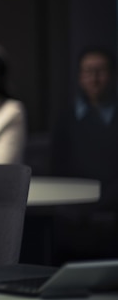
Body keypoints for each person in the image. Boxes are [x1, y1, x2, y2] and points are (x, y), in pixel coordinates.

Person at [49, 45, 118, 263]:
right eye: (88, 72)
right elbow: (57, 169)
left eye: (101, 71)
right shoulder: (66, 119)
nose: (94, 79)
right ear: (80, 77)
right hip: (73, 214)